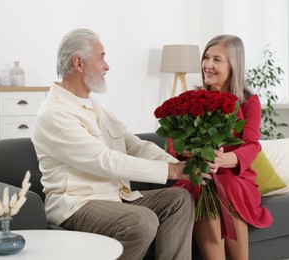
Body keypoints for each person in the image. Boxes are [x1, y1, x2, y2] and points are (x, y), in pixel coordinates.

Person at [31, 28, 195, 260]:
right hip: (77, 205)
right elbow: (104, 161)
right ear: (79, 63)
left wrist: (179, 166)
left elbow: (136, 145)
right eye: (101, 57)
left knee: (179, 199)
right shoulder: (54, 113)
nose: (107, 66)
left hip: (115, 198)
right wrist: (171, 170)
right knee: (141, 220)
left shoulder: (96, 107)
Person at [171, 35, 273, 260]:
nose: (208, 65)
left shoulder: (248, 102)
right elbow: (172, 142)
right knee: (202, 186)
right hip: (198, 174)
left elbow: (252, 145)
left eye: (217, 59)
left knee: (227, 184)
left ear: (233, 65)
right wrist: (185, 151)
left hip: (235, 175)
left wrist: (224, 160)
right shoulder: (192, 99)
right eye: (206, 58)